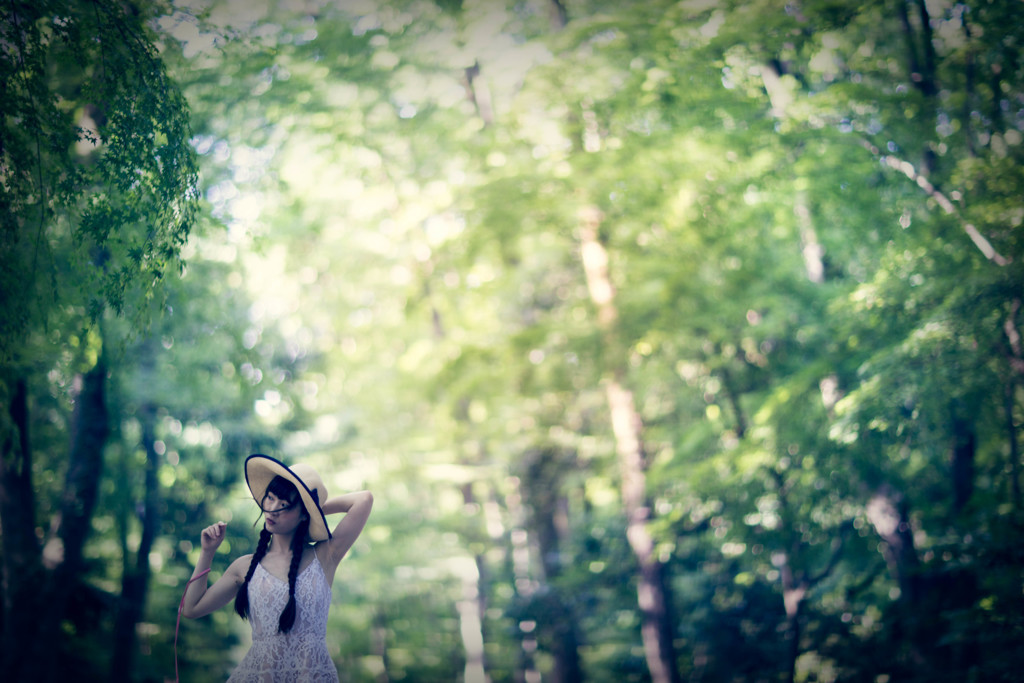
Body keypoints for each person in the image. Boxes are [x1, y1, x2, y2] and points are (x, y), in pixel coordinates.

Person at [181, 454, 373, 682]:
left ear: (304, 514)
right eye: (270, 498)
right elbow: (191, 609)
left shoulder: (325, 556)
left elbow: (364, 499)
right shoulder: (245, 566)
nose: (272, 509)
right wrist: (207, 552)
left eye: (284, 504)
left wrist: (312, 510)